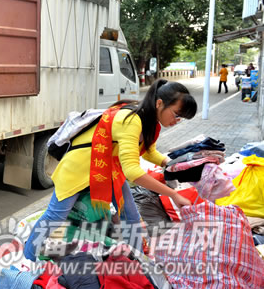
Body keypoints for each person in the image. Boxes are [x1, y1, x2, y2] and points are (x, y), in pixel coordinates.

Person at [23, 79, 197, 261]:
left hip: (108, 171)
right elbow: (132, 171)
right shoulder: (132, 120)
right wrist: (173, 194)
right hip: (78, 170)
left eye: (181, 118)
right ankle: (27, 260)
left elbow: (149, 152)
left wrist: (171, 164)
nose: (176, 121)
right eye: (176, 114)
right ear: (159, 103)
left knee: (131, 215)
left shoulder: (149, 121)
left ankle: (139, 262)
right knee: (55, 217)